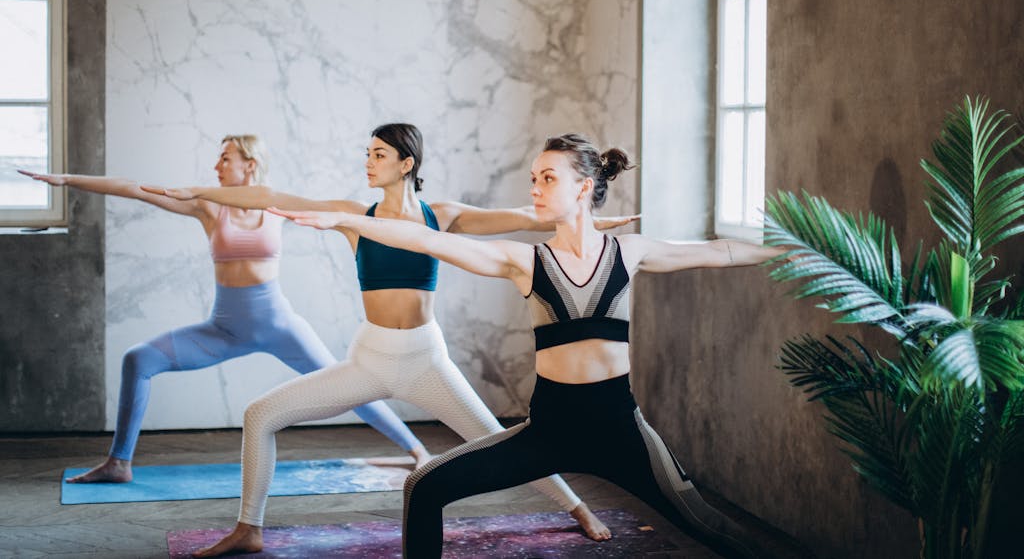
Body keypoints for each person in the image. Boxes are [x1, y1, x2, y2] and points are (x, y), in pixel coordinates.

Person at [272, 133, 783, 558]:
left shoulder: (631, 252)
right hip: (549, 432)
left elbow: (723, 251)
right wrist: (345, 220)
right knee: (423, 486)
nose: (535, 188)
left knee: (709, 525)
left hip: (622, 431)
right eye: (533, 179)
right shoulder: (525, 261)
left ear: (583, 187)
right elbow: (429, 241)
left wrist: (798, 249)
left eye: (547, 178)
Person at [148, 124, 625, 557]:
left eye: (378, 154)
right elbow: (269, 194)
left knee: (498, 438)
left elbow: (526, 216)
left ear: (406, 164)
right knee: (259, 415)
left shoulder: (442, 216)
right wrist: (196, 191)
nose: (368, 162)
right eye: (367, 153)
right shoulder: (357, 215)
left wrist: (600, 225)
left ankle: (576, 507)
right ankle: (248, 528)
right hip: (370, 358)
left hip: (425, 360)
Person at [19, 136, 425, 484]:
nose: (216, 166)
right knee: (137, 360)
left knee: (350, 384)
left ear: (249, 165)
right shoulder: (208, 207)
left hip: (281, 327)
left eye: (224, 158)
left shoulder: (274, 205)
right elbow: (135, 188)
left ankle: (418, 452)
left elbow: (345, 213)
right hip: (224, 331)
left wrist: (398, 221)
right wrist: (67, 180)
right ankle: (118, 462)